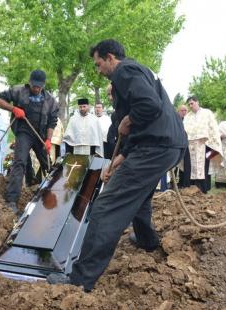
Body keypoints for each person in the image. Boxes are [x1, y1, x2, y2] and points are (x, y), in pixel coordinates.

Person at [47, 39, 187, 291]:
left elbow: (148, 106)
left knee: (107, 207)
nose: (98, 70)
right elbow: (148, 120)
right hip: (168, 146)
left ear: (110, 58)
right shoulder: (142, 70)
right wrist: (121, 158)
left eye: (99, 63)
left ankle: (80, 280)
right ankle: (147, 240)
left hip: (157, 148)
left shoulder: (124, 71)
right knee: (140, 195)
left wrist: (127, 120)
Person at [0, 69, 59, 215]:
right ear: (30, 82)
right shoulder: (18, 91)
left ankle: (55, 194)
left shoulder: (51, 101)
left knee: (48, 165)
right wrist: (13, 108)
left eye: (39, 86)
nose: (36, 88)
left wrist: (48, 140)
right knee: (19, 162)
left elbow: (52, 121)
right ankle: (12, 200)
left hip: (40, 134)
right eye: (34, 85)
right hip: (23, 133)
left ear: (43, 85)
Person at [180, 96, 223, 193]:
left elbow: (213, 128)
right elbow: (184, 130)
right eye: (189, 104)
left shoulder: (207, 113)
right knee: (189, 167)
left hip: (204, 145)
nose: (191, 106)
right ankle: (189, 188)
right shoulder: (187, 116)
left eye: (192, 103)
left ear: (197, 102)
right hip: (190, 146)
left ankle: (203, 189)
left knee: (204, 167)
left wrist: (212, 142)